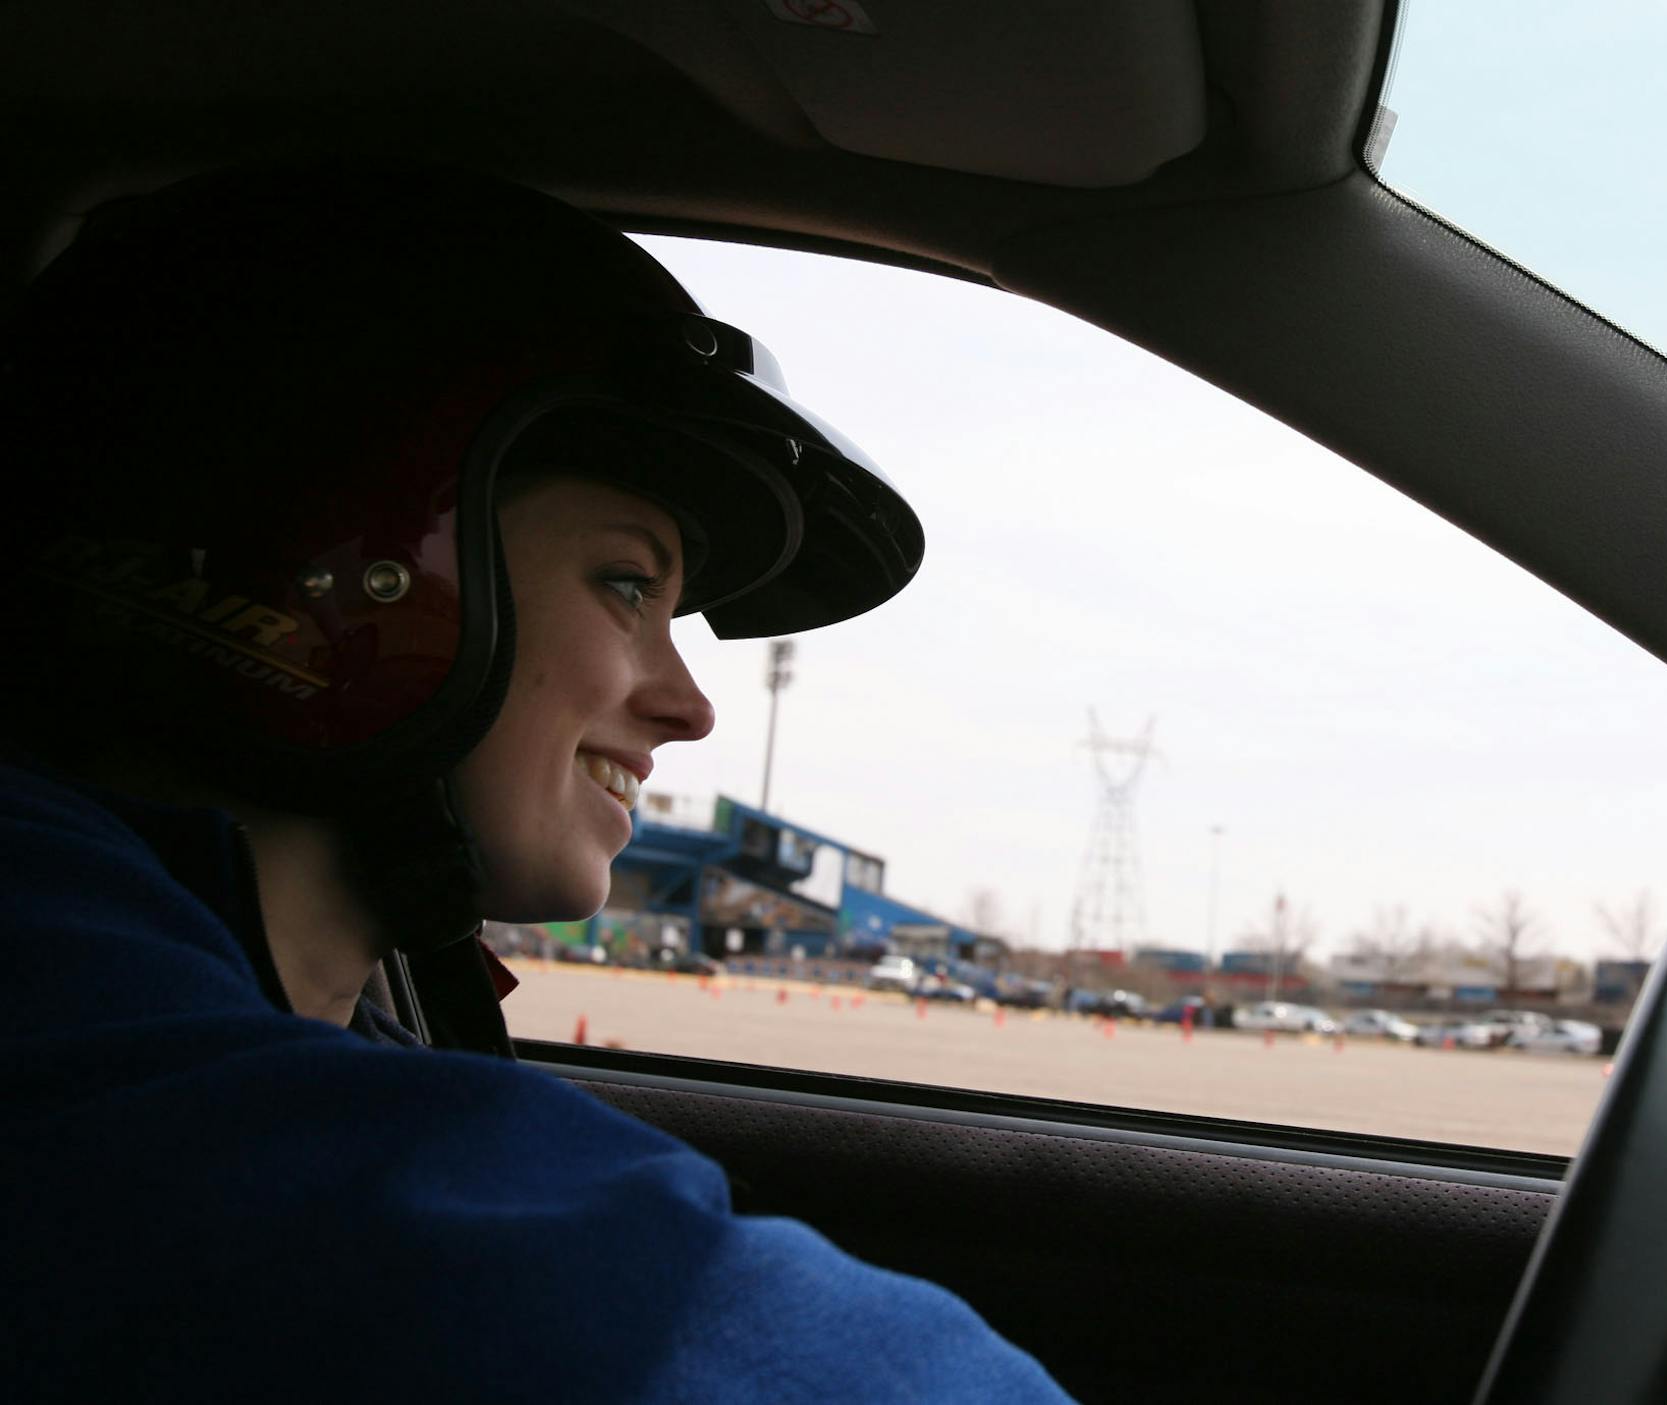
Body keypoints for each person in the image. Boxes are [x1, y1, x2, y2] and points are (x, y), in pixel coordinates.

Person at [0, 162, 1071, 1401]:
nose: (690, 701)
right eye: (629, 584)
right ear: (329, 551)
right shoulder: (48, 1000)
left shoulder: (308, 999)